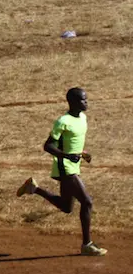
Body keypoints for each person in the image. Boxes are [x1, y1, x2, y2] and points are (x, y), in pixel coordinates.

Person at [16, 88, 106, 256]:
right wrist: (66, 156)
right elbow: (48, 146)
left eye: (86, 99)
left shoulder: (83, 118)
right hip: (65, 167)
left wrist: (82, 153)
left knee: (66, 207)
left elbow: (72, 142)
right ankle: (87, 244)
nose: (86, 102)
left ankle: (34, 188)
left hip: (74, 165)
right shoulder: (62, 121)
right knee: (87, 202)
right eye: (82, 100)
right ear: (72, 102)